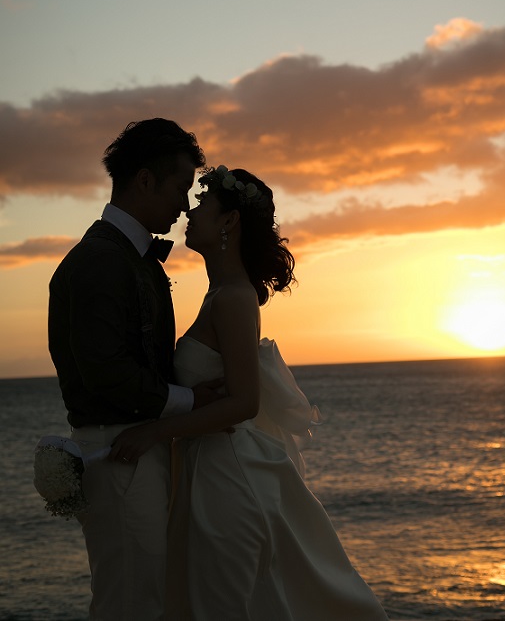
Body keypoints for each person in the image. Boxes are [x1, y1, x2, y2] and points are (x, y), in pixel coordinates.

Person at [110, 164, 389, 620]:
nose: (189, 211)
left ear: (229, 220)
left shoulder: (234, 297)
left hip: (227, 473)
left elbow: (245, 403)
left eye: (203, 203)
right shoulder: (220, 293)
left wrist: (152, 433)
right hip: (206, 466)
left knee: (223, 607)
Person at [48, 118, 207, 621]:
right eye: (180, 187)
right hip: (119, 455)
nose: (185, 205)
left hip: (135, 451)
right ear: (144, 180)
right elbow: (106, 371)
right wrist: (193, 402)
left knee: (144, 598)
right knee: (131, 604)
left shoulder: (127, 258)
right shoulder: (100, 260)